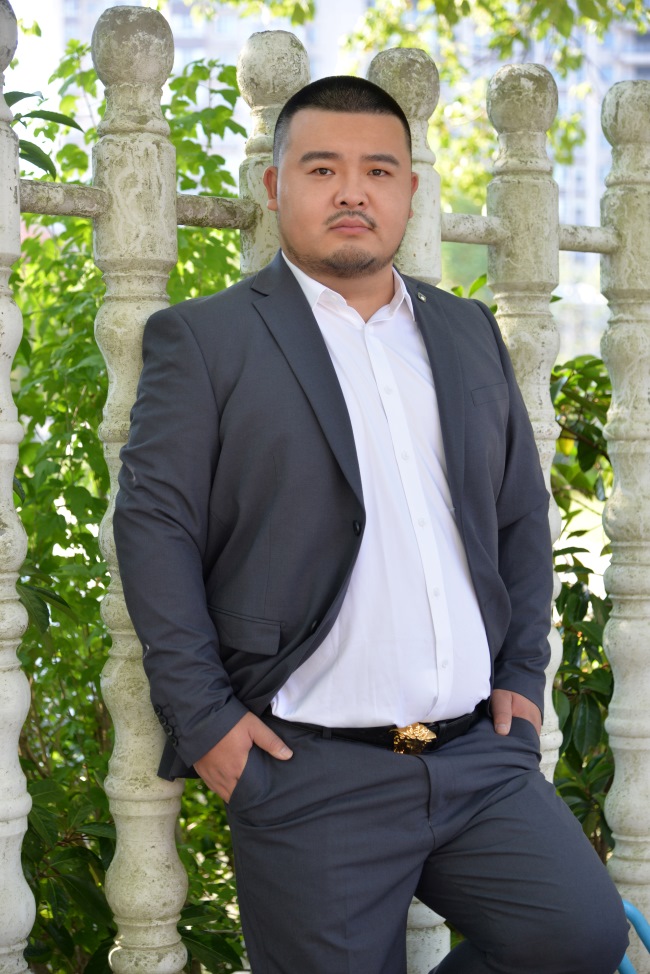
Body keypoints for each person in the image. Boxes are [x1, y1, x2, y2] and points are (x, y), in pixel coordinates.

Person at [113, 76, 629, 974]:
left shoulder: (466, 330)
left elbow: (518, 514)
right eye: (323, 169)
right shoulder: (206, 339)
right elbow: (155, 529)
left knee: (578, 940)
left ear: (409, 191)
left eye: (378, 171)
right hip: (311, 774)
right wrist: (208, 725)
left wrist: (521, 671)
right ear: (275, 186)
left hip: (479, 762)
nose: (352, 191)